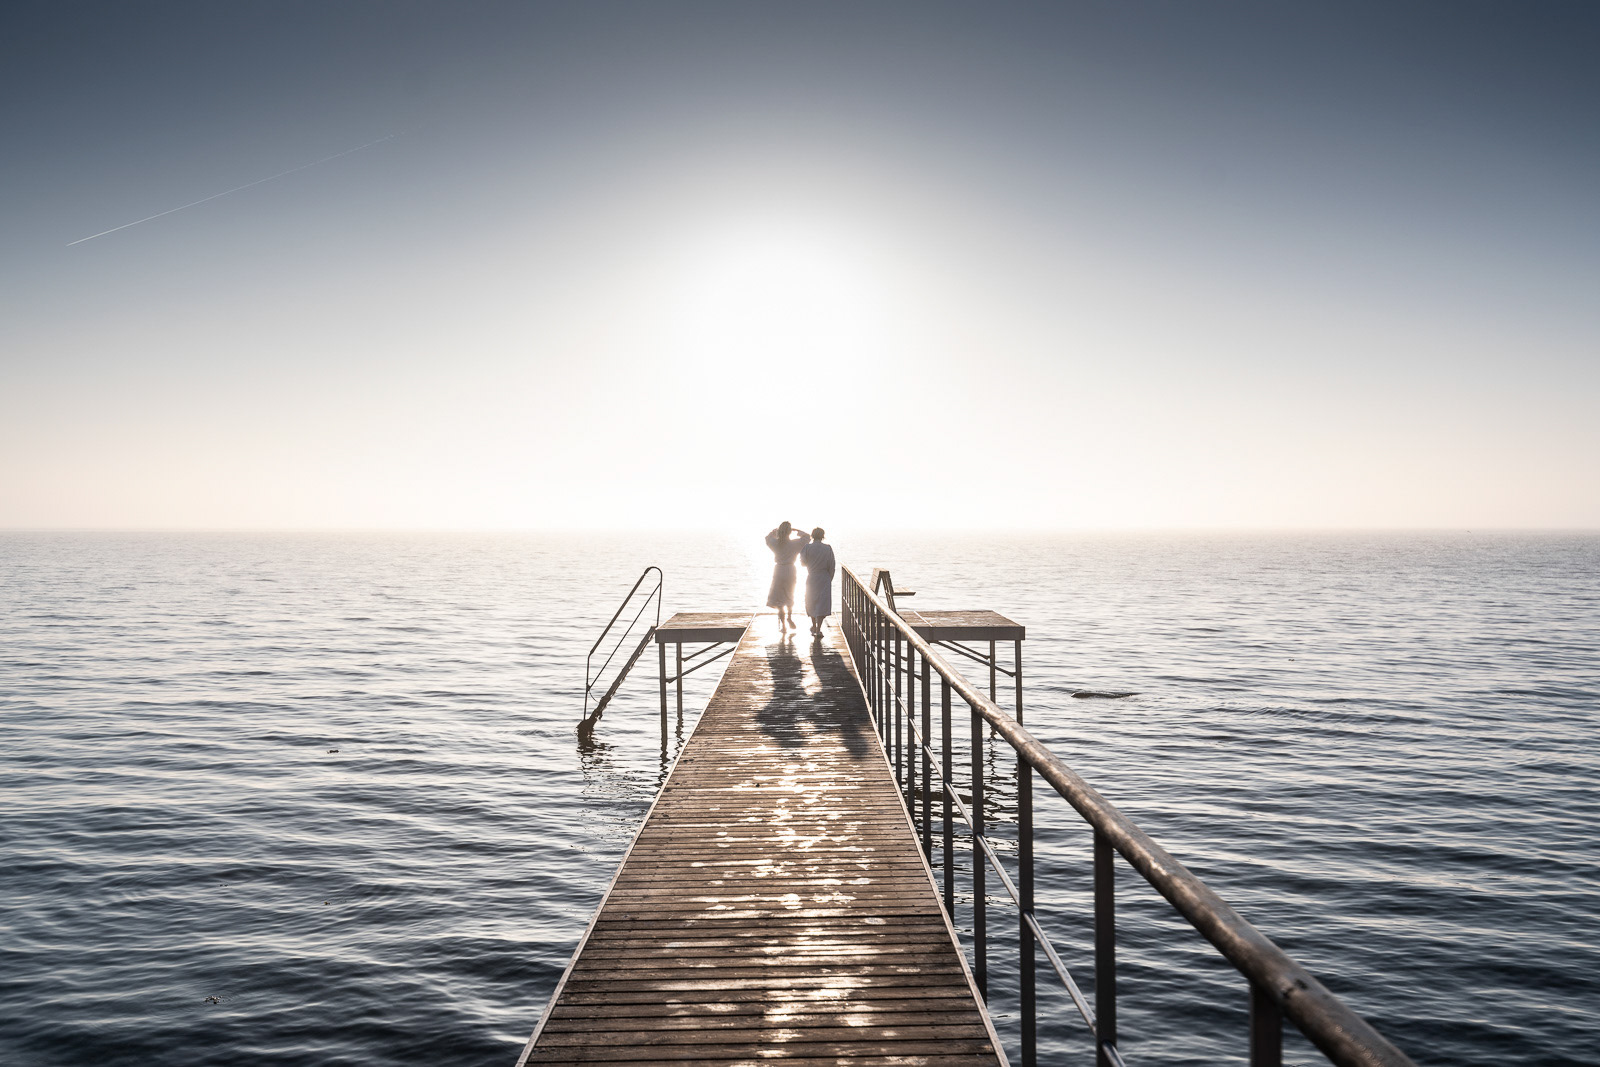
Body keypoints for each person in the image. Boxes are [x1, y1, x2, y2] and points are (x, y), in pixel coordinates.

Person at [765, 522, 809, 630]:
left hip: (779, 570)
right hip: (790, 569)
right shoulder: (795, 544)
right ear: (789, 532)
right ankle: (789, 617)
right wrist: (797, 530)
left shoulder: (775, 543)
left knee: (779, 597)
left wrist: (774, 532)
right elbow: (807, 537)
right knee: (790, 594)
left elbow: (767, 538)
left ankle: (783, 625)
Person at [799, 527, 835, 637]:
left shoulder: (807, 547)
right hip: (824, 577)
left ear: (812, 535)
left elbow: (802, 563)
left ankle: (813, 625)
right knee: (822, 604)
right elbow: (832, 566)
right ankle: (818, 629)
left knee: (811, 602)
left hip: (812, 577)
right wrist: (829, 578)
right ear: (823, 536)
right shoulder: (828, 548)